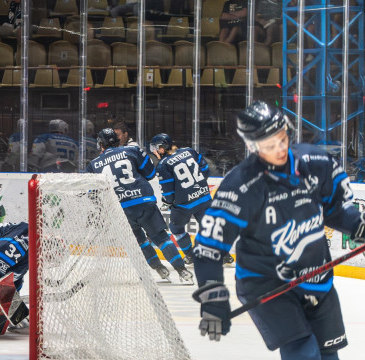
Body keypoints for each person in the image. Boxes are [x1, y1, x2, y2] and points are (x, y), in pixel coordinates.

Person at [193, 101, 365, 359]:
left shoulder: (317, 162)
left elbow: (337, 210)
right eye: (269, 146)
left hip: (318, 279)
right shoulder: (241, 185)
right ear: (252, 145)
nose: (279, 149)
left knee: (329, 355)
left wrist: (359, 226)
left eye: (282, 139)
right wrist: (212, 296)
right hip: (266, 284)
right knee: (304, 353)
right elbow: (209, 247)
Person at [86, 128, 193, 283]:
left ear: (100, 144)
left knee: (140, 241)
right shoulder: (132, 150)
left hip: (120, 209)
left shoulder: (93, 164)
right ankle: (182, 271)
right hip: (143, 201)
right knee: (161, 238)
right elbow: (150, 174)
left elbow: (93, 193)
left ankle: (159, 269)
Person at [150, 133, 233, 266]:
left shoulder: (162, 165)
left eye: (155, 147)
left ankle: (189, 255)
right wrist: (196, 188)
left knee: (176, 228)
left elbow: (169, 192)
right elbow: (206, 170)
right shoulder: (189, 151)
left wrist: (168, 202)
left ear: (162, 148)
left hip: (184, 205)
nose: (153, 151)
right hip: (204, 197)